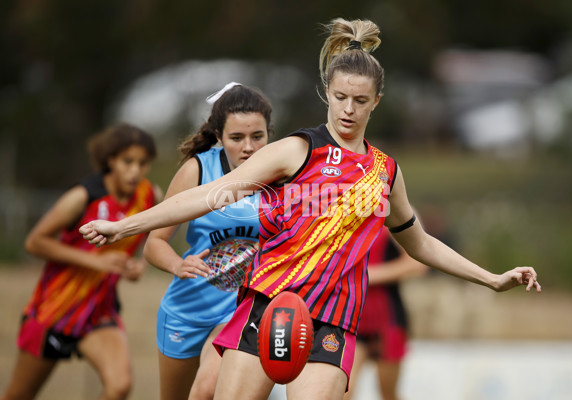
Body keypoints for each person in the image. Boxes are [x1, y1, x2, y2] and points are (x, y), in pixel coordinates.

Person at [79, 18, 541, 400]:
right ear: (327, 92)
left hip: (332, 322)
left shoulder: (385, 172)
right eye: (341, 97)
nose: (348, 109)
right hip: (265, 306)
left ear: (376, 102)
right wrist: (126, 227)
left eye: (361, 101)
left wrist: (491, 278)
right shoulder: (295, 150)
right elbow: (207, 195)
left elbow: (419, 243)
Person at [0, 123, 159, 400]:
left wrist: (138, 265)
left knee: (119, 386)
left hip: (99, 311)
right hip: (55, 309)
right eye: (127, 162)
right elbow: (34, 242)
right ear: (111, 160)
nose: (135, 171)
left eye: (143, 163)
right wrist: (95, 261)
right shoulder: (82, 196)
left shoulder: (149, 196)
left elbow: (147, 241)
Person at [142, 83, 272, 400]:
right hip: (186, 312)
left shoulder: (280, 173)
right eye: (237, 138)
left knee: (208, 390)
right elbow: (154, 243)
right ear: (218, 136)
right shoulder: (197, 171)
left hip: (239, 311)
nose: (249, 147)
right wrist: (178, 264)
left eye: (258, 136)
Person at [344, 227, 428, 400]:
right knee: (343, 391)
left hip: (388, 320)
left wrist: (368, 275)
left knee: (388, 394)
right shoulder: (337, 209)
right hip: (351, 319)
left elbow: (417, 264)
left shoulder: (392, 211)